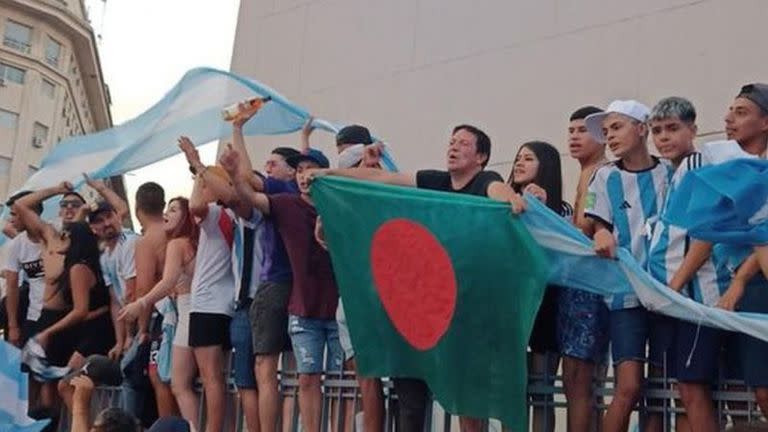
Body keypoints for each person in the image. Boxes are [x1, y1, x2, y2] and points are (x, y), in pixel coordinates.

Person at [309, 124, 525, 432]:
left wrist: (510, 199)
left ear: (481, 157)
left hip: (469, 308)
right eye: (451, 141)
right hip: (428, 309)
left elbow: (498, 191)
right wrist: (330, 174)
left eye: (463, 144)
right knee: (411, 394)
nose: (453, 147)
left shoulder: (485, 181)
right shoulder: (434, 181)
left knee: (468, 401)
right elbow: (382, 178)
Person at [221, 143, 342, 432]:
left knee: (342, 382)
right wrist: (234, 173)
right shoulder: (287, 204)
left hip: (339, 310)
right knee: (307, 378)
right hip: (303, 311)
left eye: (310, 171)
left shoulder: (340, 208)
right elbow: (250, 196)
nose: (303, 176)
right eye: (299, 170)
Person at [583, 100, 672, 432]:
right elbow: (595, 223)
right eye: (605, 132)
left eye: (617, 127)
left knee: (662, 390)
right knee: (629, 386)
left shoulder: (672, 172)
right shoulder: (605, 175)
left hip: (669, 291)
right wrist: (602, 230)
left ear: (642, 128)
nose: (609, 137)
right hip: (625, 293)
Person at [646, 96, 729, 432]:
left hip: (695, 300)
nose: (663, 137)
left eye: (672, 129)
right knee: (683, 390)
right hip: (676, 301)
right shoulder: (671, 172)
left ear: (693, 129)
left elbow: (704, 235)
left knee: (695, 389)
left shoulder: (696, 166)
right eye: (657, 131)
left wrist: (676, 286)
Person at [14, 183, 115, 413]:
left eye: (74, 205)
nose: (69, 208)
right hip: (42, 316)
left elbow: (81, 306)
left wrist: (88, 209)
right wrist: (56, 189)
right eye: (64, 205)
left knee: (53, 389)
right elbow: (21, 205)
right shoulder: (50, 236)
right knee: (33, 382)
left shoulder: (81, 250)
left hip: (66, 321)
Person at [229, 103, 299, 432]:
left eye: (274, 164)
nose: (267, 168)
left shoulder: (286, 190)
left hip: (276, 286)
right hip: (294, 288)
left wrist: (238, 128)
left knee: (265, 367)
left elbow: (245, 177)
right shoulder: (296, 193)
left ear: (291, 171)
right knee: (296, 371)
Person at [120, 197, 201, 431]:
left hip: (184, 315)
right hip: (194, 312)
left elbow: (164, 282)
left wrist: (141, 305)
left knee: (174, 382)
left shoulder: (176, 244)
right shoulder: (196, 242)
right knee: (203, 381)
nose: (166, 213)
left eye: (174, 210)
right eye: (167, 208)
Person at [179, 136, 242, 432]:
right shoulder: (234, 216)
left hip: (206, 303)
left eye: (204, 183)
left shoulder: (216, 214)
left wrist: (197, 166)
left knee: (211, 376)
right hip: (226, 303)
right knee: (222, 376)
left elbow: (195, 205)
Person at [508, 140, 570, 432]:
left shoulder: (562, 209)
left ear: (545, 166)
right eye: (518, 158)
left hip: (547, 306)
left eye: (528, 158)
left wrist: (544, 209)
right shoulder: (501, 202)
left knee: (542, 393)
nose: (519, 163)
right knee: (511, 392)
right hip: (511, 305)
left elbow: (567, 251)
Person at [716, 83, 768, 417]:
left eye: (741, 112)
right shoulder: (724, 169)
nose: (729, 118)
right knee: (733, 389)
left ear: (765, 123)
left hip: (757, 288)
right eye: (730, 111)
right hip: (723, 290)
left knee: (763, 388)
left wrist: (740, 281)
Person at [559, 106, 610, 432]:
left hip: (590, 287)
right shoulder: (585, 171)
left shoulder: (600, 172)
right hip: (578, 284)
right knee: (580, 382)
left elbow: (585, 229)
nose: (575, 137)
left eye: (583, 130)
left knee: (579, 381)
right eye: (571, 131)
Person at [131, 181, 179, 421]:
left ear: (137, 208)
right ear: (162, 205)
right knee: (180, 376)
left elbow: (143, 288)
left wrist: (142, 329)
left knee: (158, 374)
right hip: (187, 307)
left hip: (166, 313)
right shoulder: (177, 230)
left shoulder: (147, 240)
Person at [83, 174, 137, 362]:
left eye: (109, 216)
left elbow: (131, 292)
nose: (106, 223)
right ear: (93, 228)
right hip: (130, 321)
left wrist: (129, 336)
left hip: (146, 318)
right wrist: (119, 341)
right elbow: (116, 301)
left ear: (117, 216)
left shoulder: (129, 242)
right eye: (99, 221)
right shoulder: (105, 256)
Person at [2, 191, 45, 349]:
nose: (11, 219)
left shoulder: (55, 233)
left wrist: (58, 189)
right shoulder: (16, 245)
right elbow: (12, 286)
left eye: (15, 214)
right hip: (34, 316)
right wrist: (13, 326)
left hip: (61, 314)